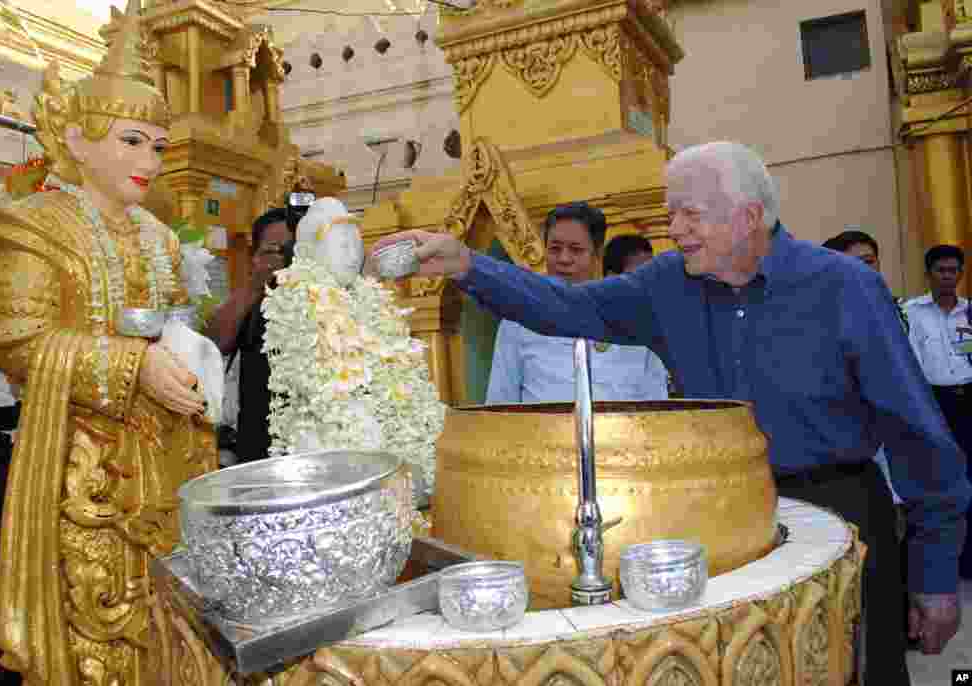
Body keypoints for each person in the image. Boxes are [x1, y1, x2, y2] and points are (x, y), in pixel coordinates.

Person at [373, 141, 970, 684]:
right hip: (724, 518)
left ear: (749, 217)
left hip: (845, 514)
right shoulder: (667, 285)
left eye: (690, 213)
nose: (674, 228)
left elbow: (917, 433)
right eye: (671, 211)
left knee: (856, 669)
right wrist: (468, 266)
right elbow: (565, 306)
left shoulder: (843, 288)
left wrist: (937, 574)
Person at [0, 3, 217, 684]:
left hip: (168, 457)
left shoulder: (161, 237)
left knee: (175, 619)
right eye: (132, 141)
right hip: (81, 465)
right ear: (78, 142)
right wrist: (130, 363)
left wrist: (188, 358)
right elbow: (20, 341)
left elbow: (171, 327)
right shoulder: (34, 226)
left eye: (158, 146)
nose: (151, 159)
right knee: (96, 627)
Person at [486, 203, 668, 403]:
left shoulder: (634, 320)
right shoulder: (518, 320)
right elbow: (500, 406)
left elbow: (656, 406)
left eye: (576, 250)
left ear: (597, 255)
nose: (564, 259)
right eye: (555, 249)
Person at [206, 207, 299, 463]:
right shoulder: (250, 298)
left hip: (309, 441)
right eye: (273, 249)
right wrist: (256, 283)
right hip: (258, 447)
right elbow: (213, 345)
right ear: (254, 255)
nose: (285, 258)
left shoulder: (324, 299)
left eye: (291, 249)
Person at [822, 229, 906, 505]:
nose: (863, 270)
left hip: (900, 428)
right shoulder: (824, 317)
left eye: (869, 262)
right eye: (853, 263)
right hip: (853, 441)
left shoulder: (898, 310)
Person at [905, 244, 972, 579]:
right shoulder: (911, 312)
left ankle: (969, 560)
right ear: (929, 274)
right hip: (932, 402)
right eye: (941, 270)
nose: (948, 276)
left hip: (969, 400)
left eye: (954, 270)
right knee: (937, 480)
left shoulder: (969, 312)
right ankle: (937, 560)